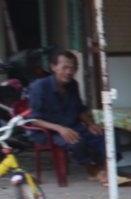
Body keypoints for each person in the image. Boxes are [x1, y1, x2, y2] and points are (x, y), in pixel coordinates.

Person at [28, 50, 108, 181]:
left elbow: (79, 109)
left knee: (105, 135)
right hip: (49, 132)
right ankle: (92, 171)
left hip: (73, 125)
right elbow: (34, 119)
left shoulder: (73, 84)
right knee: (76, 141)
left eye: (73, 68)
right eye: (65, 67)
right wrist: (60, 129)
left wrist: (91, 124)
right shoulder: (39, 87)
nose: (69, 72)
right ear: (53, 67)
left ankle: (106, 170)